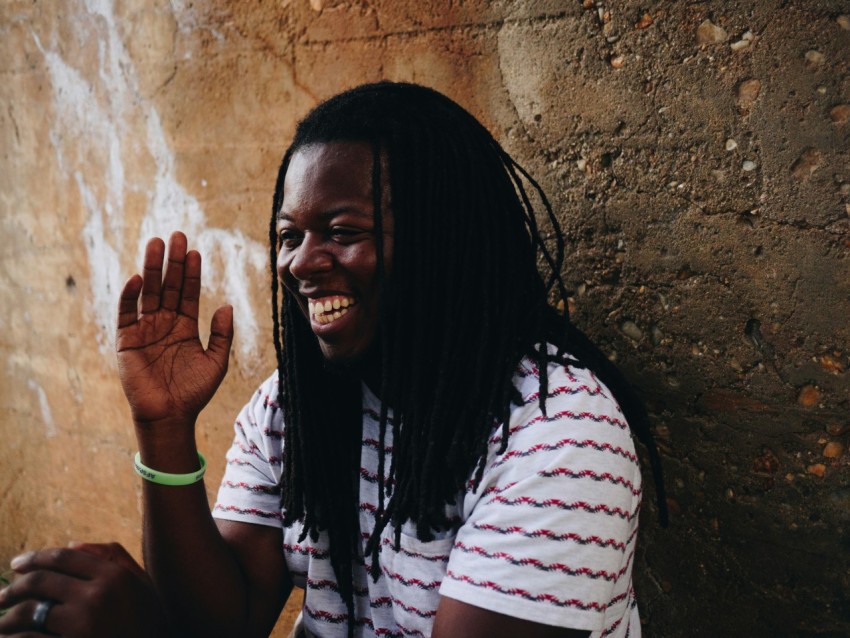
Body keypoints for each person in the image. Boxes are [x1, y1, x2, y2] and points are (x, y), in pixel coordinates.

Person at [0, 82, 664, 637]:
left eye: (342, 233)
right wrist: (164, 432)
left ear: (439, 242)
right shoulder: (295, 406)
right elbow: (222, 622)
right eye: (290, 235)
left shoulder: (560, 434)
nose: (300, 263)